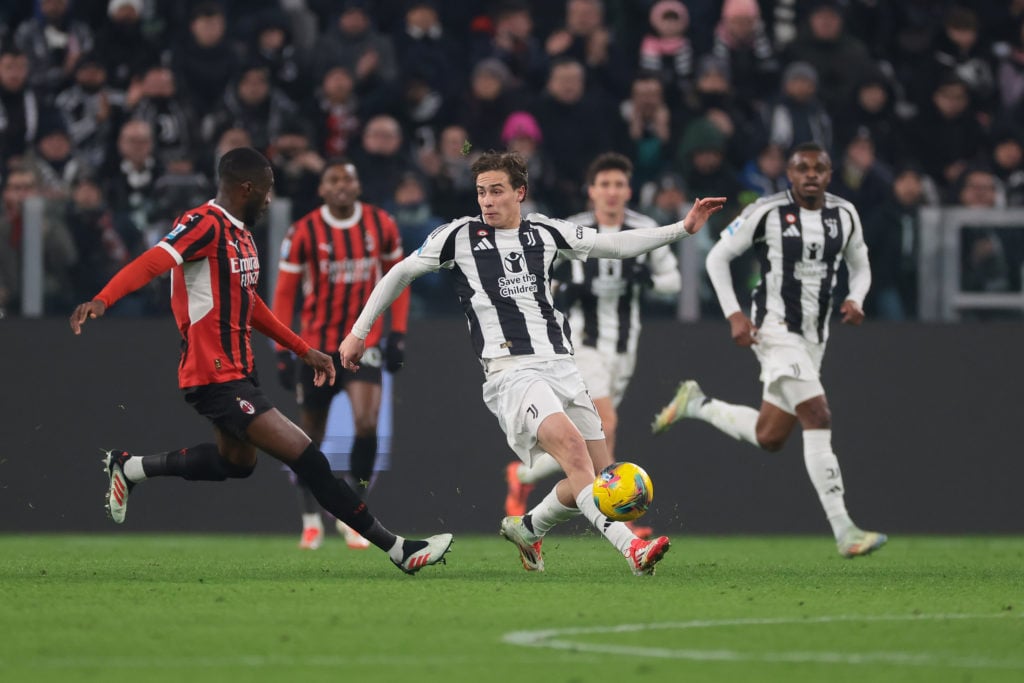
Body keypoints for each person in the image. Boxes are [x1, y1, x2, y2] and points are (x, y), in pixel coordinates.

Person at [339, 150, 725, 575]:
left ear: (520, 192)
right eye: (481, 192)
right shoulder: (456, 236)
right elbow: (399, 274)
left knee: (599, 477)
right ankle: (632, 549)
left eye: (497, 191)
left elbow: (611, 244)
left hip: (562, 365)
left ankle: (529, 526)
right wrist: (360, 332)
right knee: (576, 454)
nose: (487, 201)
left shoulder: (545, 231)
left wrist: (683, 229)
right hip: (511, 371)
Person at [68, 146, 450, 575]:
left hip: (239, 371)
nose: (270, 200)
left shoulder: (241, 234)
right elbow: (154, 260)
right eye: (266, 191)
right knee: (309, 458)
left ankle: (130, 466)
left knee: (236, 464)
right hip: (213, 375)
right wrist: (104, 299)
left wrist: (303, 349)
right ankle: (398, 548)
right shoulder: (203, 224)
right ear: (246, 188)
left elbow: (250, 305)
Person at [651, 142, 887, 559]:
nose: (811, 174)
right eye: (802, 168)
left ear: (829, 174)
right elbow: (717, 258)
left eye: (819, 168)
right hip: (775, 329)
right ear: (790, 175)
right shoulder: (766, 210)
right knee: (817, 414)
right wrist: (734, 314)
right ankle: (845, 530)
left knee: (771, 436)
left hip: (815, 336)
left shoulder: (844, 214)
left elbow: (861, 263)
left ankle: (696, 403)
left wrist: (857, 298)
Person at [503, 152, 681, 541]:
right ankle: (621, 520)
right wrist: (565, 288)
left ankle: (523, 477)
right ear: (591, 191)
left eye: (619, 185)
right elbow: (537, 282)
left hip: (624, 346)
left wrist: (645, 280)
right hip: (579, 343)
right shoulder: (573, 230)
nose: (612, 192)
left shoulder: (643, 228)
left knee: (587, 438)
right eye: (605, 185)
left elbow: (673, 283)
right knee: (607, 424)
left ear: (628, 190)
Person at [272, 157, 409, 551]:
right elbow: (284, 293)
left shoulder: (381, 224)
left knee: (367, 424)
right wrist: (284, 350)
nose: (341, 186)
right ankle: (311, 517)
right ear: (322, 189)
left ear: (358, 186)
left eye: (348, 179)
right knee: (307, 438)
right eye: (333, 180)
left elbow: (398, 278)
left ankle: (352, 507)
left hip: (362, 343)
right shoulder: (303, 231)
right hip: (315, 348)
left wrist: (397, 332)